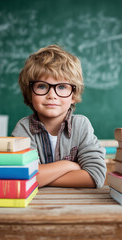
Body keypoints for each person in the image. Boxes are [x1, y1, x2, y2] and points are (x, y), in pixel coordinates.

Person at [12, 44, 106, 188]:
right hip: (34, 206)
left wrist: (41, 178)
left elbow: (95, 176)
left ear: (73, 95)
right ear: (30, 94)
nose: (52, 95)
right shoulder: (23, 129)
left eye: (61, 87)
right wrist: (69, 166)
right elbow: (21, 177)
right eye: (42, 86)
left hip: (75, 206)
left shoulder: (81, 125)